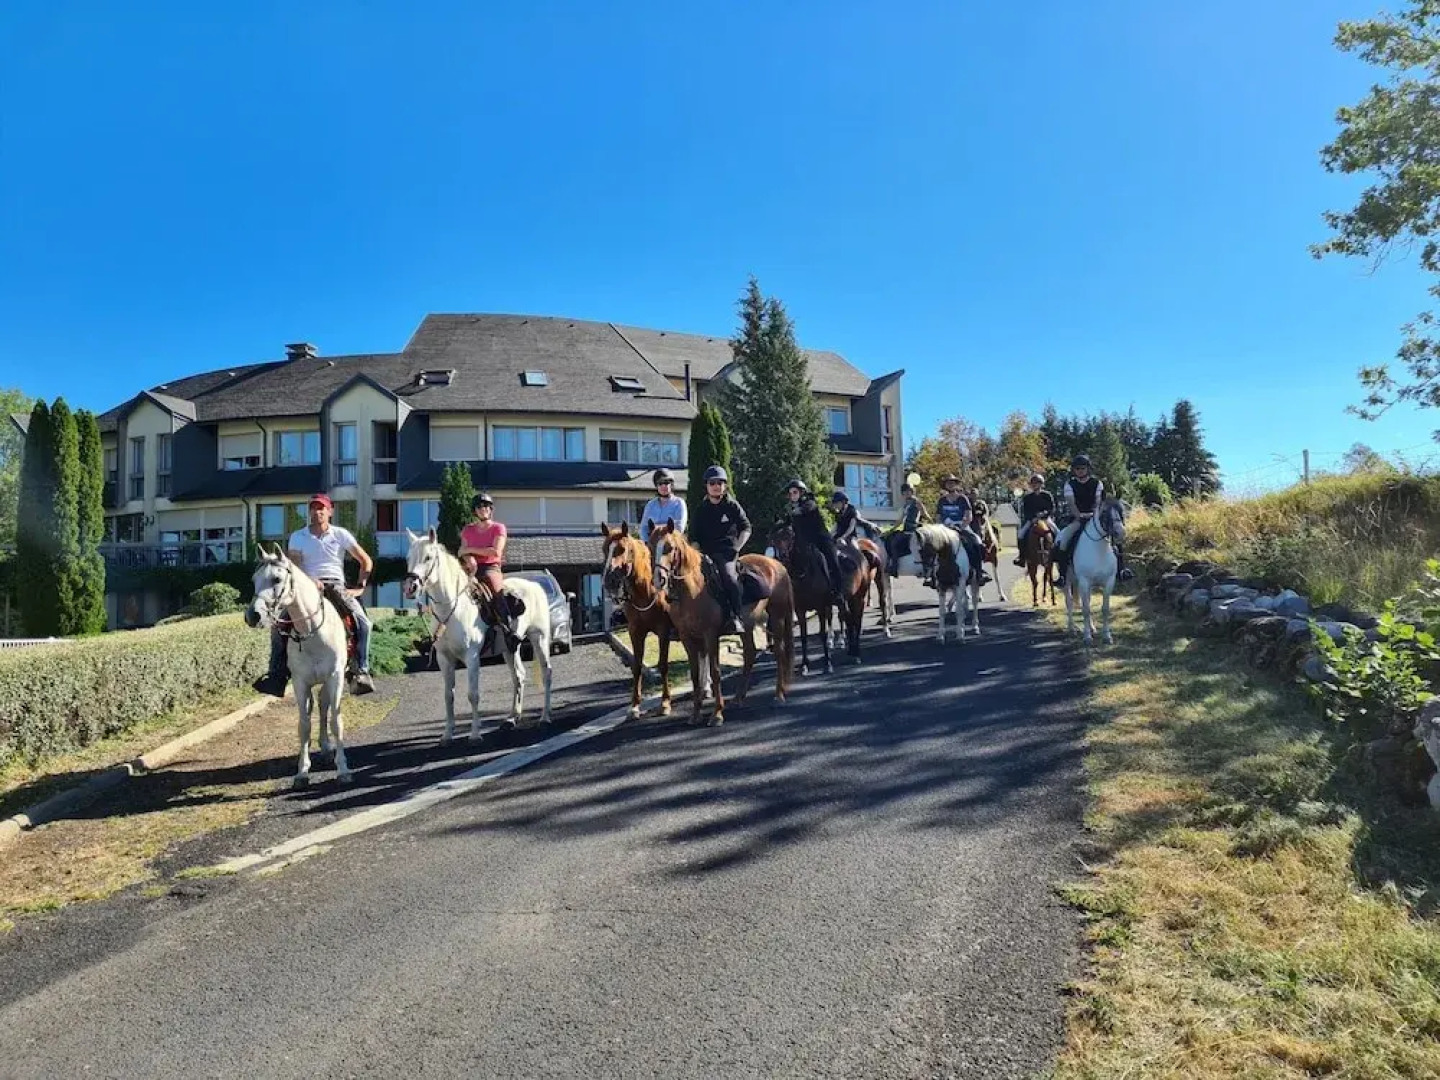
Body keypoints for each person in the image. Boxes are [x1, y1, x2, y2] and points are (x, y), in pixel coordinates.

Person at [254, 493, 375, 697]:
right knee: (278, 627)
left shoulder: (341, 534)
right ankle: (277, 675)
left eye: (322, 508)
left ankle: (361, 671)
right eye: (313, 508)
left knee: (364, 623)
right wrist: (310, 581)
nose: (317, 512)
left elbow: (366, 561)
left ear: (330, 512)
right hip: (306, 586)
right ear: (309, 511)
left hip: (336, 585)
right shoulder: (298, 536)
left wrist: (360, 587)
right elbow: (294, 565)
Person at [1052, 454, 1134, 586]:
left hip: (1095, 518)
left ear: (1088, 469)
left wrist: (1093, 514)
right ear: (1074, 470)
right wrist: (1079, 515)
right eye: (1077, 468)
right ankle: (1062, 575)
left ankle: (1121, 570)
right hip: (1077, 519)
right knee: (1064, 540)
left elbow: (1097, 502)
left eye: (1082, 468)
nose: (1080, 471)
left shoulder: (1097, 483)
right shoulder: (1070, 484)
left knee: (1114, 538)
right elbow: (1071, 503)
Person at [689, 465, 752, 634]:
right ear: (707, 486)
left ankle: (736, 617)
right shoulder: (700, 510)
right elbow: (693, 537)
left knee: (729, 578)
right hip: (704, 554)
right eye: (712, 483)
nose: (716, 486)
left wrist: (737, 547)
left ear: (725, 486)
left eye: (720, 482)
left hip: (727, 554)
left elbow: (746, 527)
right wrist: (697, 554)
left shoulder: (732, 506)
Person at [459, 492, 519, 641]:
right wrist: (469, 558)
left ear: (491, 509)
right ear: (475, 511)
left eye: (486, 506)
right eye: (479, 507)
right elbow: (461, 551)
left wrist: (470, 550)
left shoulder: (498, 528)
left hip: (490, 567)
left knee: (497, 593)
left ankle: (509, 631)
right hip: (470, 568)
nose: (482, 509)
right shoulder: (467, 530)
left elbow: (495, 551)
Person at [783, 478, 845, 606]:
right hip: (805, 542)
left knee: (833, 561)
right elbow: (787, 522)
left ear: (802, 493)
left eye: (794, 492)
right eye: (790, 493)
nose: (792, 496)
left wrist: (790, 512)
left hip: (821, 539)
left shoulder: (809, 503)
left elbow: (801, 511)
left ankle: (839, 592)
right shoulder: (792, 508)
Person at [933, 475, 992, 585]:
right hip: (945, 529)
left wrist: (961, 526)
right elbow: (938, 517)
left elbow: (969, 516)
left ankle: (980, 572)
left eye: (952, 482)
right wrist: (942, 527)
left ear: (956, 484)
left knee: (977, 542)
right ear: (945, 485)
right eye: (948, 483)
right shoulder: (942, 501)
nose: (950, 484)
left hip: (961, 526)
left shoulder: (963, 499)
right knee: (931, 545)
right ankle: (932, 575)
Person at [1013, 473, 1056, 567]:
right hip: (1032, 520)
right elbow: (1026, 511)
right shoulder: (1027, 498)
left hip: (1046, 519)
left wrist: (1044, 514)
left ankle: (1057, 555)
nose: (1035, 485)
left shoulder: (1047, 495)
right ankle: (1022, 557)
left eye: (1037, 483)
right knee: (1021, 535)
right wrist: (1032, 518)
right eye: (1033, 483)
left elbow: (1052, 508)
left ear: (1041, 484)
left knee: (1057, 532)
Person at [640, 467, 687, 542]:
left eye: (666, 483)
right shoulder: (650, 505)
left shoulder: (679, 503)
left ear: (671, 484)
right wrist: (647, 542)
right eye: (660, 483)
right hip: (653, 543)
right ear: (656, 486)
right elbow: (643, 528)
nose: (663, 486)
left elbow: (679, 527)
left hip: (672, 543)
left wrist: (657, 530)